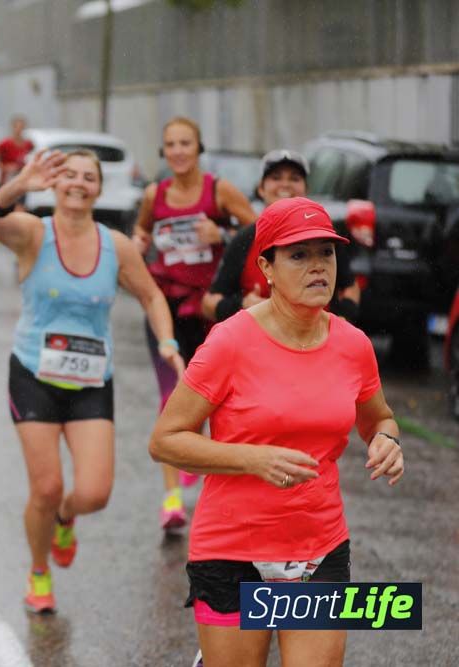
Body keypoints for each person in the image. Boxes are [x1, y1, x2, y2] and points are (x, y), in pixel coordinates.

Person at [149, 196, 403, 667]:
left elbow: (379, 419)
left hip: (318, 545)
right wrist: (252, 458)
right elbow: (165, 439)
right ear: (266, 266)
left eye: (325, 253)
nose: (317, 267)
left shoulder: (353, 345)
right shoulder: (229, 341)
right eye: (298, 255)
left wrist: (387, 440)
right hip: (232, 548)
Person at [0, 149, 186, 614]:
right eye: (68, 175)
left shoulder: (117, 246)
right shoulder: (34, 233)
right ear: (54, 184)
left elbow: (152, 296)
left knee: (94, 492)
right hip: (34, 373)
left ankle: (65, 519)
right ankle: (38, 573)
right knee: (46, 488)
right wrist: (18, 185)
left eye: (88, 177)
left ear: (99, 187)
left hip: (92, 379)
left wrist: (168, 342)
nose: (77, 183)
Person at [132, 116, 257, 532]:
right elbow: (141, 231)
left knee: (210, 398)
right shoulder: (155, 193)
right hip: (164, 307)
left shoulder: (218, 190)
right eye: (171, 144)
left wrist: (220, 232)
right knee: (172, 398)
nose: (179, 151)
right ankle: (171, 501)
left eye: (186, 143)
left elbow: (257, 230)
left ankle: (195, 454)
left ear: (199, 148)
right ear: (164, 152)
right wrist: (139, 243)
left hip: (207, 311)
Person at [202, 149, 361, 323]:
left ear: (306, 189)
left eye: (294, 178)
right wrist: (241, 304)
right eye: (276, 177)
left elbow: (350, 287)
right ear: (261, 189)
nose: (285, 185)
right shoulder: (245, 239)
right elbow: (208, 303)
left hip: (314, 340)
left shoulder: (324, 234)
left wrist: (342, 319)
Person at [0, 115, 35, 211]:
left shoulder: (28, 144)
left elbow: (32, 159)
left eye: (21, 127)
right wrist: (5, 167)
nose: (19, 130)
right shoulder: (4, 144)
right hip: (5, 182)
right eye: (17, 127)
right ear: (12, 128)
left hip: (21, 181)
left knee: (20, 210)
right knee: (3, 210)